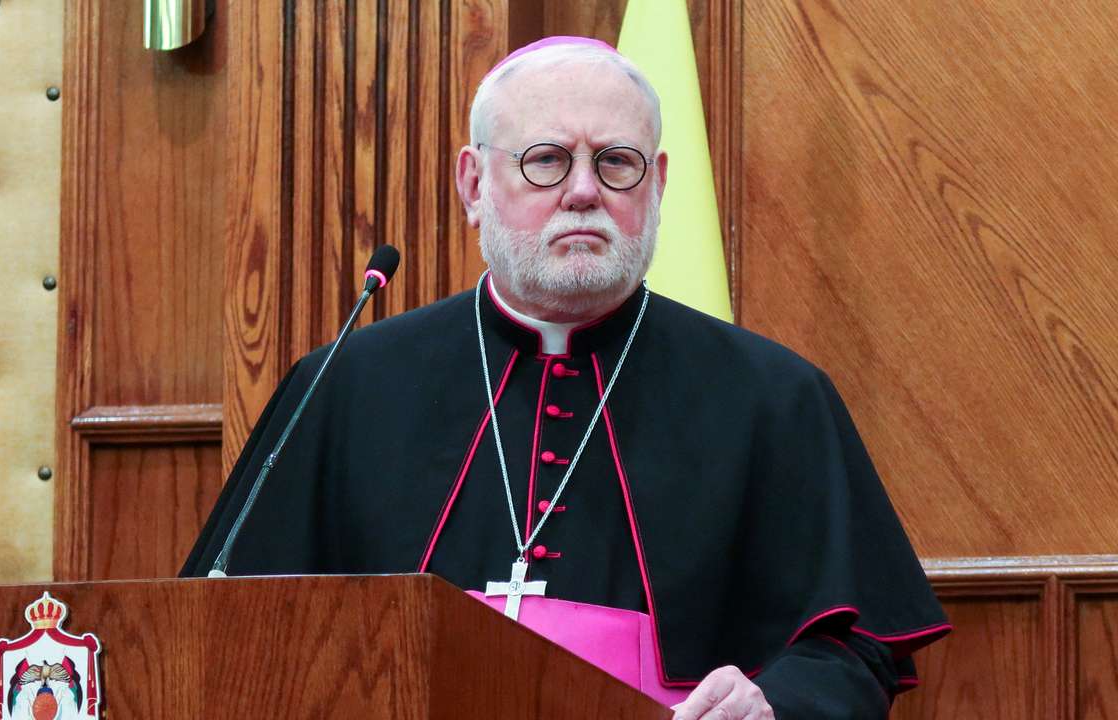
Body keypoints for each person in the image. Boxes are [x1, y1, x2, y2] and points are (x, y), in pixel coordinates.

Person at [183, 36, 949, 719]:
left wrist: (774, 703)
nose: (584, 189)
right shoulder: (345, 387)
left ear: (657, 184)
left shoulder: (772, 398)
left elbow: (860, 648)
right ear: (474, 184)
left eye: (616, 162)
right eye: (546, 159)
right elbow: (234, 628)